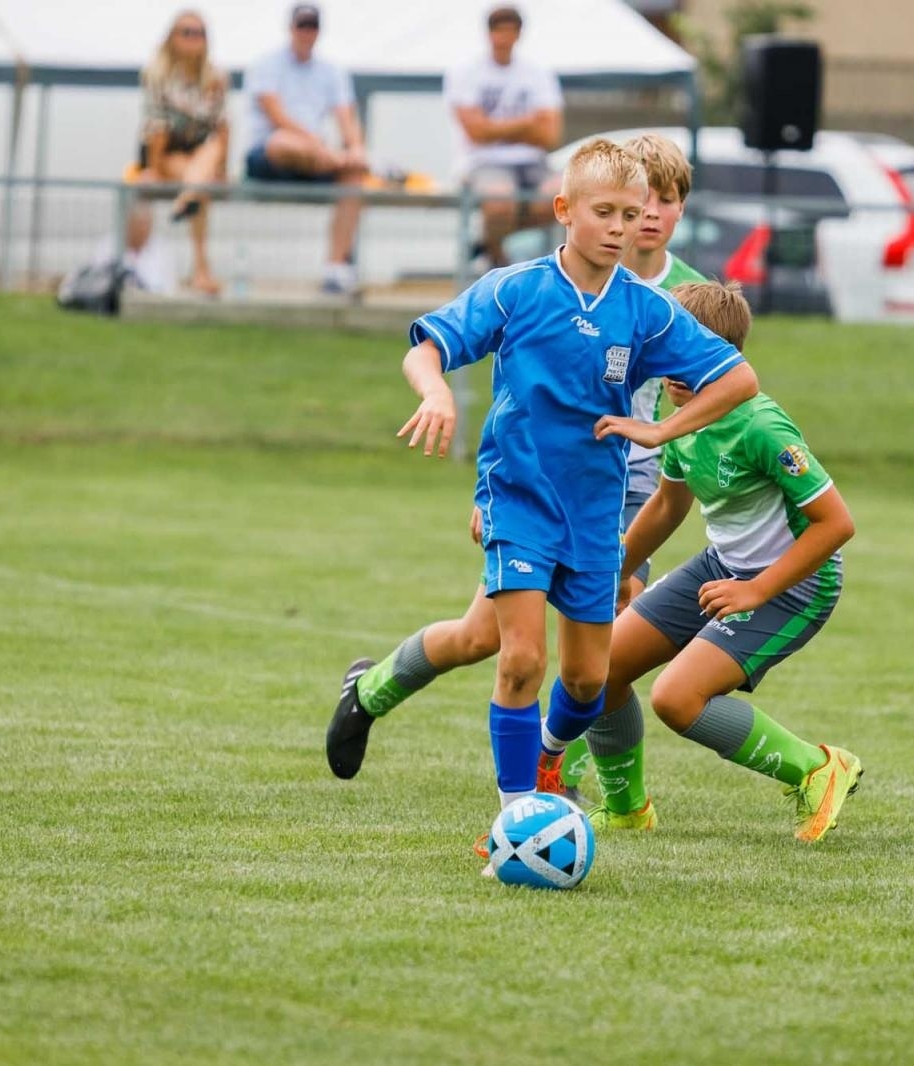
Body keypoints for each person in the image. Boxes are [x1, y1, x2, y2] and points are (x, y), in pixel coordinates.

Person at [324, 140, 758, 870]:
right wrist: (435, 390)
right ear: (564, 211)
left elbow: (737, 378)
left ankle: (494, 736)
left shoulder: (647, 310)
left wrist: (662, 427)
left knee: (588, 680)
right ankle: (515, 820)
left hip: (598, 519)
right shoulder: (515, 289)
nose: (624, 225)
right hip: (519, 501)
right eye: (607, 212)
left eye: (634, 211)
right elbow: (425, 347)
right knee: (520, 658)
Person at [563, 280, 862, 842]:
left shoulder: (762, 427)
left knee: (677, 698)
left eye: (688, 357)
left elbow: (837, 525)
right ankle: (628, 808)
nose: (673, 371)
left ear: (724, 359)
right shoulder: (681, 420)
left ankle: (819, 767)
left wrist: (756, 591)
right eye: (666, 352)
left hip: (797, 584)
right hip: (722, 565)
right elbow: (667, 507)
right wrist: (614, 569)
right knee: (597, 672)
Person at [242, 3, 368, 295]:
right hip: (269, 158)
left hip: (318, 158)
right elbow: (277, 118)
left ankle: (335, 267)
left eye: (312, 27)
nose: (307, 33)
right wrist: (323, 148)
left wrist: (357, 148)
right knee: (283, 142)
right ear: (291, 28)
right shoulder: (266, 64)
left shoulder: (332, 71)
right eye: (302, 26)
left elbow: (346, 116)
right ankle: (334, 160)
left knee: (354, 176)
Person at [444, 6, 564, 270]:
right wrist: (527, 123)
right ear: (489, 34)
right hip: (483, 161)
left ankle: (487, 241)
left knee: (562, 198)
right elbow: (476, 133)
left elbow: (550, 134)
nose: (504, 38)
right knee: (500, 201)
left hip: (532, 162)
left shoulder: (537, 71)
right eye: (500, 31)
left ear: (519, 34)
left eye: (510, 31)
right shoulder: (466, 71)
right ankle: (496, 257)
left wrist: (493, 128)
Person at [138, 10, 229, 296]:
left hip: (201, 155)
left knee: (209, 152)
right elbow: (157, 128)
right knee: (200, 175)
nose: (193, 39)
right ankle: (201, 271)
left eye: (199, 32)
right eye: (186, 32)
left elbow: (222, 126)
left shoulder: (215, 77)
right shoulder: (157, 73)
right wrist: (152, 168)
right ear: (172, 38)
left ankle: (188, 197)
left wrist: (222, 170)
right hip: (163, 152)